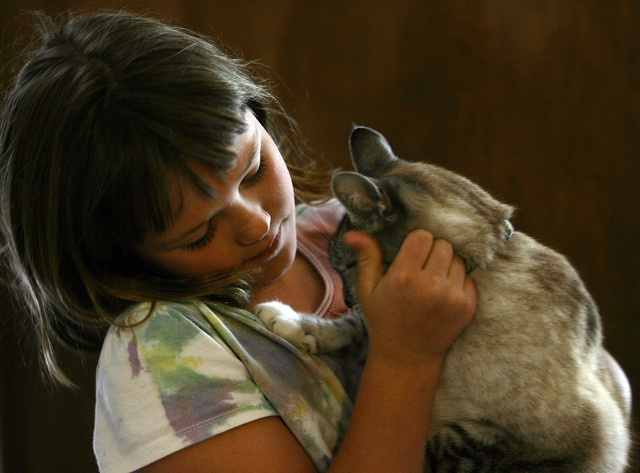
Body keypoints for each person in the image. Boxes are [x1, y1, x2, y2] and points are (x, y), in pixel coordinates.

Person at [0, 11, 477, 473]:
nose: (257, 226)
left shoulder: (353, 227)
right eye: (199, 233)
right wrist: (405, 359)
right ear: (119, 261)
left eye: (253, 170)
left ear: (258, 115)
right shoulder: (162, 357)